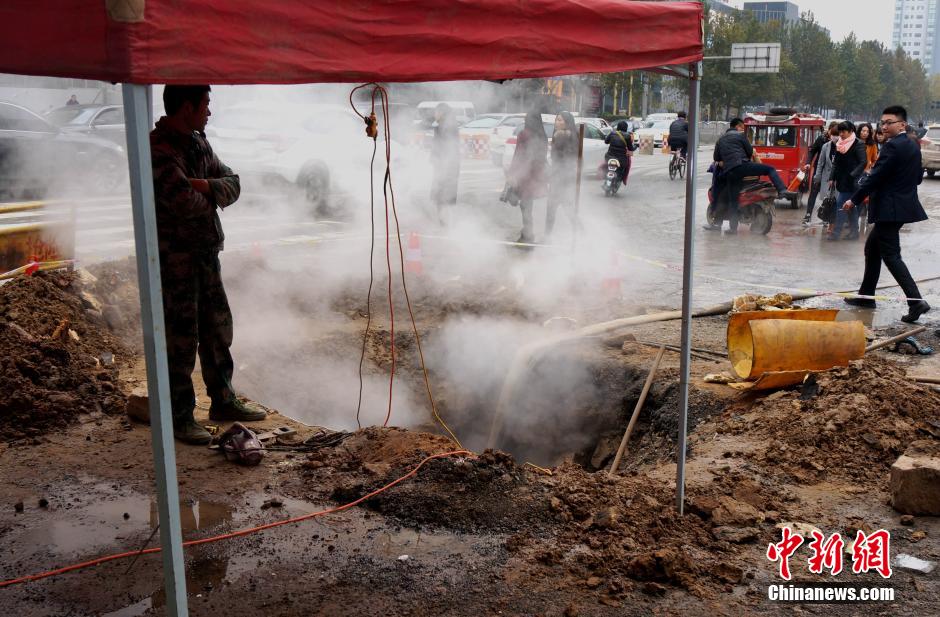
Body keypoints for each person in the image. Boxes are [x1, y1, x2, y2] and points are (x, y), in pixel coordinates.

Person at [151, 85, 266, 444]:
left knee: (217, 330)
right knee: (180, 339)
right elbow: (183, 204)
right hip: (176, 261)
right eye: (206, 105)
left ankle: (224, 399)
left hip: (205, 254)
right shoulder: (159, 149)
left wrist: (204, 185)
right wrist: (211, 193)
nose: (209, 112)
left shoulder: (198, 143)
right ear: (187, 107)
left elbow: (233, 184)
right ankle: (180, 415)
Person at [843, 105, 930, 323]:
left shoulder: (893, 147)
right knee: (872, 248)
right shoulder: (912, 144)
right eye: (882, 123)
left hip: (889, 209)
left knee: (891, 255)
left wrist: (853, 199)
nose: (884, 126)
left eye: (888, 122)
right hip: (902, 206)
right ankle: (866, 296)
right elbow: (917, 177)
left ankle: (916, 301)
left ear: (901, 124)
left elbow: (875, 177)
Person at [712, 118, 791, 234]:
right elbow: (750, 152)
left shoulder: (720, 140)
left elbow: (716, 158)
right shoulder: (741, 136)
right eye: (742, 127)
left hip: (731, 172)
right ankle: (782, 189)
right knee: (770, 169)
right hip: (744, 167)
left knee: (733, 201)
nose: (743, 130)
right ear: (737, 126)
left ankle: (733, 229)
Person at [506, 111, 548, 243]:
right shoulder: (543, 136)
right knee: (528, 205)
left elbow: (518, 155)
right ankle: (527, 232)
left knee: (525, 206)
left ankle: (528, 234)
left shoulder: (524, 134)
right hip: (536, 175)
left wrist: (512, 173)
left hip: (525, 176)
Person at [827, 121, 867, 241]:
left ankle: (836, 233)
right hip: (841, 179)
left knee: (841, 205)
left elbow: (863, 162)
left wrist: (852, 175)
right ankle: (854, 233)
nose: (841, 134)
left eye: (843, 131)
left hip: (852, 181)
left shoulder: (858, 144)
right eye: (840, 132)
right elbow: (836, 163)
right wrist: (832, 177)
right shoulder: (840, 144)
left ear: (850, 131)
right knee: (851, 207)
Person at [545, 111, 579, 238]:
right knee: (567, 208)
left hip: (561, 178)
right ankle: (581, 233)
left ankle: (547, 237)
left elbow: (565, 158)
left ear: (567, 122)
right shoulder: (572, 134)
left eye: (560, 120)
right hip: (564, 177)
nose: (557, 122)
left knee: (552, 209)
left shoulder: (562, 136)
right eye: (556, 120)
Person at [430, 103, 460, 224]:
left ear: (442, 113)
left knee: (444, 194)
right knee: (441, 195)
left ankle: (446, 221)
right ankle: (443, 220)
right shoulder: (441, 126)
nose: (434, 114)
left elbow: (448, 147)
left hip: (447, 166)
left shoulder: (449, 127)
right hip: (442, 165)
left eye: (436, 111)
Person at [803, 121, 839, 224]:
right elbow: (812, 151)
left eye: (836, 134)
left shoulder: (841, 143)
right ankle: (808, 214)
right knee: (814, 192)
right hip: (820, 170)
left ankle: (826, 217)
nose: (834, 136)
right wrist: (808, 163)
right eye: (832, 133)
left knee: (829, 195)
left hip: (832, 173)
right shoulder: (821, 139)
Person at [603, 120, 637, 185]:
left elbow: (606, 141)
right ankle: (623, 180)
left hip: (609, 156)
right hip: (621, 158)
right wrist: (635, 147)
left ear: (618, 126)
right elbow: (630, 148)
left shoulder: (612, 133)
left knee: (605, 164)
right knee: (626, 166)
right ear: (626, 128)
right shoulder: (627, 136)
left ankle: (605, 174)